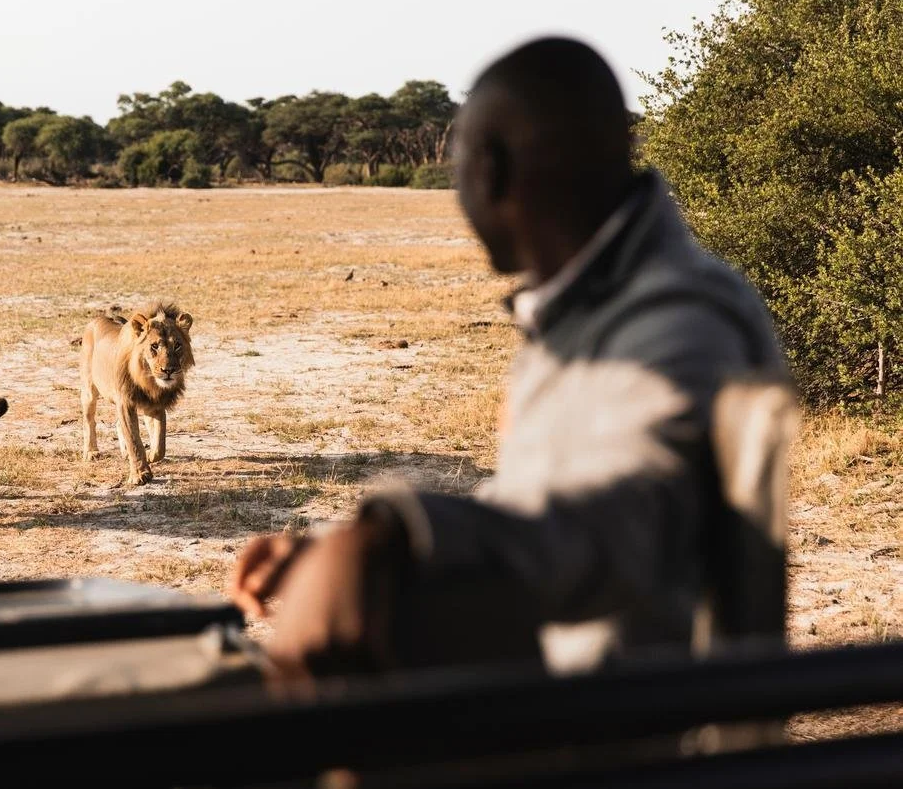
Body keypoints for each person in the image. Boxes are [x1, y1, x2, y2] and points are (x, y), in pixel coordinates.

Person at [229, 36, 797, 686]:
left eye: (455, 167)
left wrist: (391, 537)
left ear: (490, 170)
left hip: (623, 738)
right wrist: (337, 555)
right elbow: (543, 515)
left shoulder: (677, 318)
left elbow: (622, 527)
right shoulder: (588, 306)